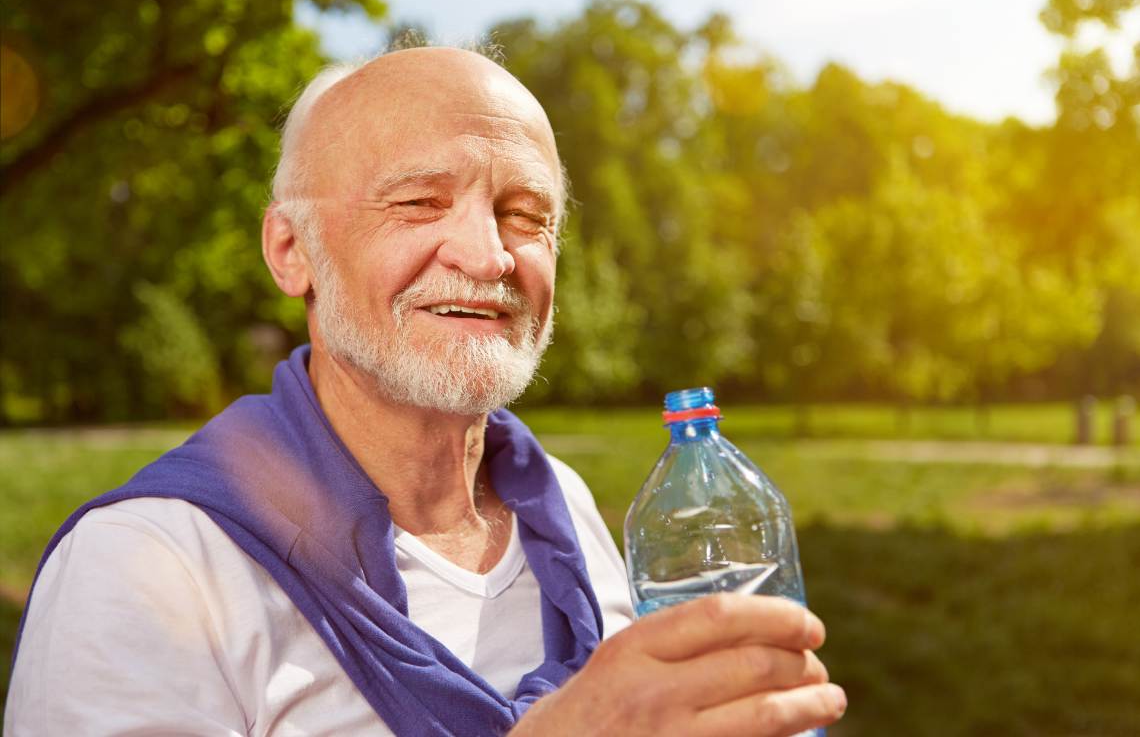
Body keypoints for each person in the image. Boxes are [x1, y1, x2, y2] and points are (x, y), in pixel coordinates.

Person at [5, 47, 846, 736]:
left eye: (526, 214)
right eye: (418, 201)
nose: (489, 257)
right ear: (291, 250)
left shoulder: (574, 512)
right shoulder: (146, 566)